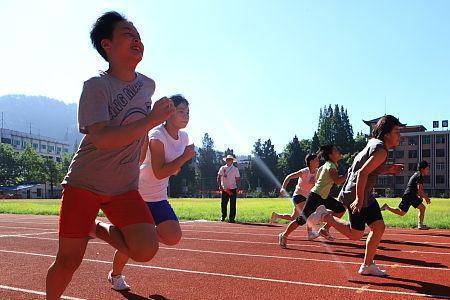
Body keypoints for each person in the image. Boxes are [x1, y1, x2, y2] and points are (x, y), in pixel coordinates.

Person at [46, 12, 175, 299]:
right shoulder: (96, 86)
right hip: (86, 183)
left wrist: (143, 147)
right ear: (107, 44)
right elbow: (102, 139)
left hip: (124, 187)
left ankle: (96, 229)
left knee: (145, 248)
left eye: (138, 35)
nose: (137, 39)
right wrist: (152, 121)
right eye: (128, 34)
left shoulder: (147, 85)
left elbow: (139, 127)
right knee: (69, 261)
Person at [107, 95, 195, 290]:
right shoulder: (157, 136)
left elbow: (171, 168)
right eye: (181, 111)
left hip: (158, 196)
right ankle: (115, 276)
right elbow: (159, 171)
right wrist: (184, 158)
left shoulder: (184, 138)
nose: (186, 116)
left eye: (188, 112)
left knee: (173, 237)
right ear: (169, 113)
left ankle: (139, 236)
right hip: (138, 195)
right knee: (133, 244)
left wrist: (177, 165)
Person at [308, 115, 404, 276]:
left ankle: (368, 265)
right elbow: (362, 172)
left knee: (378, 227)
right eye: (396, 131)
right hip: (358, 194)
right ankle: (325, 216)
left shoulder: (373, 143)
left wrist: (388, 169)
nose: (399, 135)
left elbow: (366, 169)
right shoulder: (381, 150)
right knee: (356, 234)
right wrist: (359, 199)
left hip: (362, 192)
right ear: (387, 134)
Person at [278, 145, 347, 248]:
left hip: (323, 196)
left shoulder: (330, 165)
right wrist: (349, 174)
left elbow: (320, 173)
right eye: (336, 150)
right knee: (302, 219)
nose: (339, 151)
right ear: (330, 155)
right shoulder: (330, 166)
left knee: (341, 209)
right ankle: (284, 235)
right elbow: (337, 181)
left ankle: (324, 229)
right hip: (315, 196)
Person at [270, 154, 320, 239]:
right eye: (316, 160)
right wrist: (283, 188)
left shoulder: (317, 172)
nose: (318, 161)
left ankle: (277, 215)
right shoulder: (304, 172)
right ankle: (310, 233)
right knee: (309, 212)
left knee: (294, 218)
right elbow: (289, 177)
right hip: (298, 196)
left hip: (307, 197)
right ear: (311, 162)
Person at [381, 160, 431, 230]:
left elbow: (417, 190)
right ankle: (420, 225)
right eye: (427, 169)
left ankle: (387, 207)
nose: (428, 171)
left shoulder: (417, 174)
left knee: (402, 212)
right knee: (421, 208)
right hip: (410, 195)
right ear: (422, 169)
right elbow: (420, 190)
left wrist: (420, 196)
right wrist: (426, 198)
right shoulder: (419, 176)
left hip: (410, 195)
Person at [217, 155, 240, 222]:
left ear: (232, 161)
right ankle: (223, 216)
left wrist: (238, 188)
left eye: (230, 159)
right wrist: (220, 186)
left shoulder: (235, 169)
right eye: (227, 159)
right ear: (226, 160)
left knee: (233, 204)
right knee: (223, 204)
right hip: (224, 189)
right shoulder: (222, 168)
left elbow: (238, 179)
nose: (229, 161)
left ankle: (232, 218)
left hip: (233, 188)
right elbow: (218, 177)